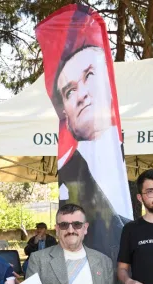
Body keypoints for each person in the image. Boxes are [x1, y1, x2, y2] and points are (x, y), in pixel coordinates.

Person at [50, 43, 132, 258]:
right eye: (70, 91)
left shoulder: (127, 169)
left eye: (89, 76)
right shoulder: (69, 172)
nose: (82, 95)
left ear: (109, 85)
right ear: (65, 115)